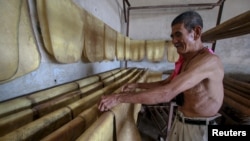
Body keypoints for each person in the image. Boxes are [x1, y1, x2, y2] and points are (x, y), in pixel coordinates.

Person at [98, 10, 224, 141]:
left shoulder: (209, 61)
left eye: (178, 34)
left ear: (196, 32)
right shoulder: (186, 60)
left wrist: (118, 98)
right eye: (172, 36)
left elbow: (167, 93)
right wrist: (137, 85)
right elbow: (167, 83)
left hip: (199, 130)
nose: (174, 41)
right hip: (181, 120)